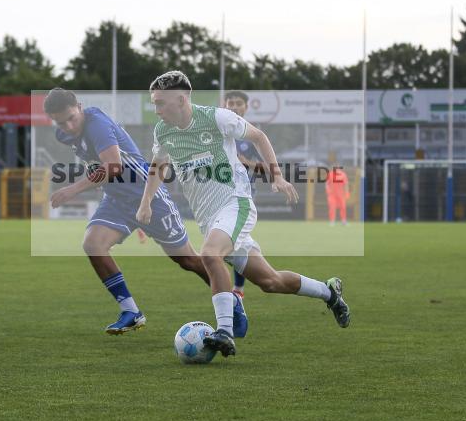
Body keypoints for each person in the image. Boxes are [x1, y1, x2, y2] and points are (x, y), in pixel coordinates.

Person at [137, 71, 350, 358]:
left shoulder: (217, 118)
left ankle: (224, 331)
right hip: (209, 219)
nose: (156, 110)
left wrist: (276, 176)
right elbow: (158, 166)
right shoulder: (163, 131)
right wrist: (146, 201)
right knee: (270, 282)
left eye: (160, 103)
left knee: (209, 255)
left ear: (181, 99)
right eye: (154, 103)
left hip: (235, 204)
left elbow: (259, 136)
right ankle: (330, 293)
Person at [43, 88, 247, 336]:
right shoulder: (64, 134)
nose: (67, 125)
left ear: (80, 107)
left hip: (147, 198)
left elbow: (114, 166)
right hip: (117, 199)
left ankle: (232, 303)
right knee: (93, 243)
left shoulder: (96, 124)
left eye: (71, 118)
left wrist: (72, 189)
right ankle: (131, 311)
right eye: (60, 122)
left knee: (188, 260)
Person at [223, 90, 265, 297]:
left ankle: (238, 289)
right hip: (220, 193)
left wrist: (244, 161)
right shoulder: (220, 131)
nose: (234, 106)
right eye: (230, 102)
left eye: (238, 103)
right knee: (234, 240)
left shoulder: (251, 135)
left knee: (234, 239)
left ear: (246, 107)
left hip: (244, 194)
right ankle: (253, 266)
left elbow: (266, 168)